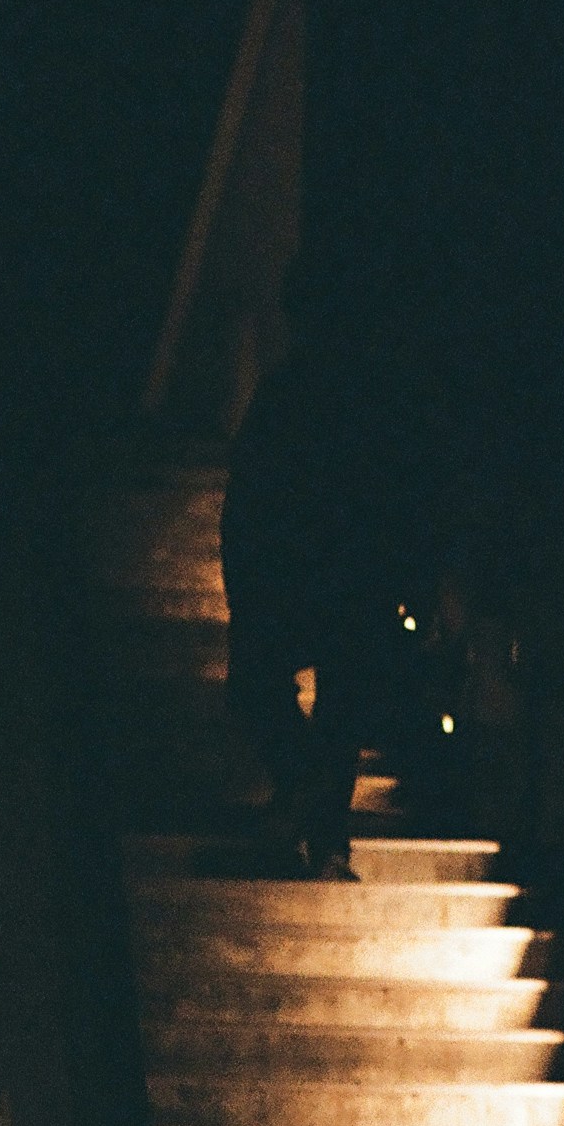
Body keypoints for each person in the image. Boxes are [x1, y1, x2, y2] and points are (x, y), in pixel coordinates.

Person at [218, 264, 362, 877]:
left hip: (309, 572)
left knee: (295, 694)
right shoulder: (333, 399)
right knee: (334, 704)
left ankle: (317, 814)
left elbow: (246, 499)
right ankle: (323, 825)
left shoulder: (291, 396)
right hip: (331, 574)